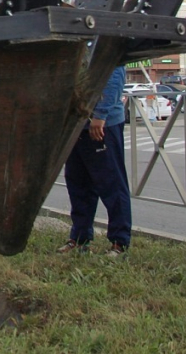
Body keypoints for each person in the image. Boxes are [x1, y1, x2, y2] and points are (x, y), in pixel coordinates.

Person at [58, 66, 132, 257]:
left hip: (102, 124)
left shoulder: (106, 38)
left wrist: (100, 116)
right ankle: (80, 239)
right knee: (78, 184)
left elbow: (113, 75)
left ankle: (119, 243)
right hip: (76, 124)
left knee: (112, 185)